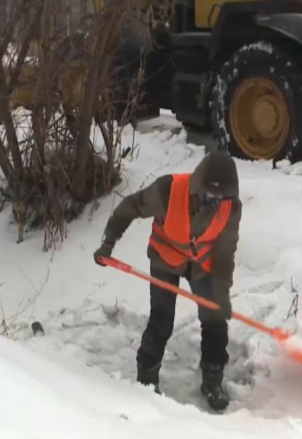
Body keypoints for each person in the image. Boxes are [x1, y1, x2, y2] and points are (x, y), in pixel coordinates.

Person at [94, 151, 242, 411]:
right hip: (166, 257)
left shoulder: (231, 207)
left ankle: (212, 381)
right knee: (162, 319)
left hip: (202, 264)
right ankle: (147, 378)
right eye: (208, 196)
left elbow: (225, 252)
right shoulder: (168, 190)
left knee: (215, 321)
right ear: (197, 187)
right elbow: (130, 207)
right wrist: (108, 243)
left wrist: (222, 293)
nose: (213, 202)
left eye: (219, 198)